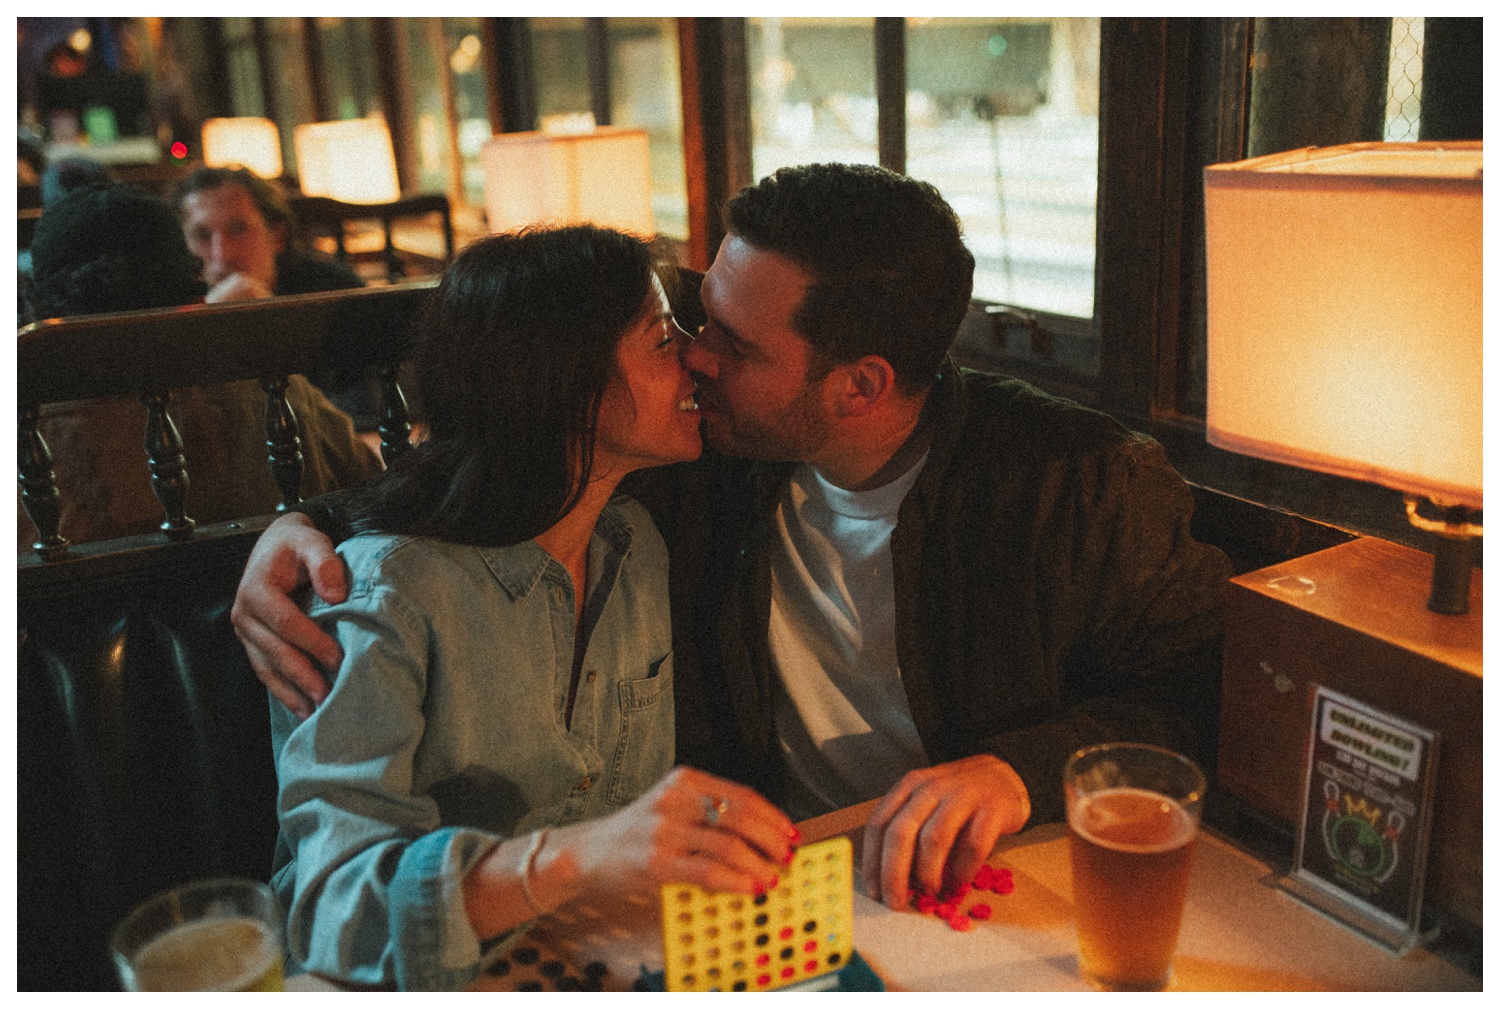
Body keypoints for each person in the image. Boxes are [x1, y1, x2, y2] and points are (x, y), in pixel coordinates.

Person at [232, 164, 1230, 912]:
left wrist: (1017, 768)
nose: (697, 360)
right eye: (688, 322)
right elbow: (504, 452)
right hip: (754, 892)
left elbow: (1206, 697)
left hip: (988, 888)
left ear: (860, 386)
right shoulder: (691, 470)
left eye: (731, 345)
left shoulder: (1083, 486)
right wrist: (312, 524)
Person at [267, 226, 795, 989]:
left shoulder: (635, 542)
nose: (695, 355)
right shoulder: (383, 596)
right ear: (563, 383)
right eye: (660, 337)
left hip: (586, 962)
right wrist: (575, 858)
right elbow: (330, 908)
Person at [18, 183, 380, 551]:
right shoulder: (275, 389)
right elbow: (368, 482)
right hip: (274, 602)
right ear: (192, 290)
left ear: (38, 305)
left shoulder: (25, 423)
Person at [174, 166, 364, 304]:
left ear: (276, 235)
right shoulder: (170, 302)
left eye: (239, 230)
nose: (223, 254)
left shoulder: (333, 290)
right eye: (202, 236)